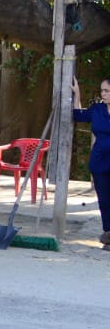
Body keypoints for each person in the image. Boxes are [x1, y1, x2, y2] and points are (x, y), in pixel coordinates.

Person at [72, 76, 110, 250]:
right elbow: (78, 115)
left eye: (107, 91)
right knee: (104, 200)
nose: (103, 94)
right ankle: (108, 233)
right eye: (102, 90)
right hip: (100, 162)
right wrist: (77, 93)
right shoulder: (97, 110)